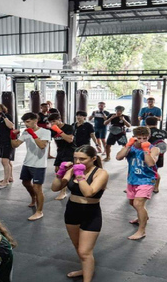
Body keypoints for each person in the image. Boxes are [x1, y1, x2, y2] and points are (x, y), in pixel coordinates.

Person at [51, 145, 108, 282]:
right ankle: (85, 268)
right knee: (78, 247)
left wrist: (80, 175)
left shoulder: (101, 173)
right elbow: (54, 188)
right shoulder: (72, 170)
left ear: (93, 158)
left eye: (82, 159)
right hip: (72, 211)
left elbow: (89, 192)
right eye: (75, 158)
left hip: (91, 213)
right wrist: (61, 173)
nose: (77, 162)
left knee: (85, 251)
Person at [116, 127, 160, 240]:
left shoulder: (154, 149)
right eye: (138, 138)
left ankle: (142, 231)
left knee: (138, 204)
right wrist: (128, 145)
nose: (141, 140)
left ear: (148, 137)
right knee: (132, 203)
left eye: (144, 138)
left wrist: (146, 150)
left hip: (146, 179)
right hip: (132, 179)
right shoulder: (131, 148)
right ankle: (143, 216)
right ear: (134, 138)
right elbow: (118, 157)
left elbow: (150, 163)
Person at [11, 112, 51, 221]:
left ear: (35, 121)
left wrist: (33, 134)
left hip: (39, 164)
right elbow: (15, 145)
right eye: (24, 122)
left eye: (28, 121)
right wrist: (12, 135)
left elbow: (42, 146)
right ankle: (33, 197)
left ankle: (39, 211)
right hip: (27, 162)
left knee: (37, 187)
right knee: (25, 183)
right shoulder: (26, 132)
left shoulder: (45, 132)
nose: (26, 124)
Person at [145, 116, 167, 193]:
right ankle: (156, 187)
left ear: (146, 123)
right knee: (155, 169)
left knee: (149, 169)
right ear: (156, 123)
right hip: (160, 153)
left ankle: (147, 185)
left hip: (150, 152)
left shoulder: (147, 132)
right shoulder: (161, 131)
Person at [47, 113, 75, 201]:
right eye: (51, 122)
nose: (53, 123)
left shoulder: (69, 127)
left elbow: (69, 139)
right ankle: (73, 183)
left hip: (70, 150)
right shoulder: (53, 129)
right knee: (57, 170)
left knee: (64, 171)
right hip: (60, 151)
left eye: (54, 121)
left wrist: (59, 130)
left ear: (59, 119)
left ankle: (63, 192)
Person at [0, 104, 15, 188]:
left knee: (4, 161)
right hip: (2, 141)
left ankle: (6, 181)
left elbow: (11, 126)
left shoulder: (7, 116)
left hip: (8, 141)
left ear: (2, 109)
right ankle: (10, 177)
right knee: (8, 161)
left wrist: (4, 116)